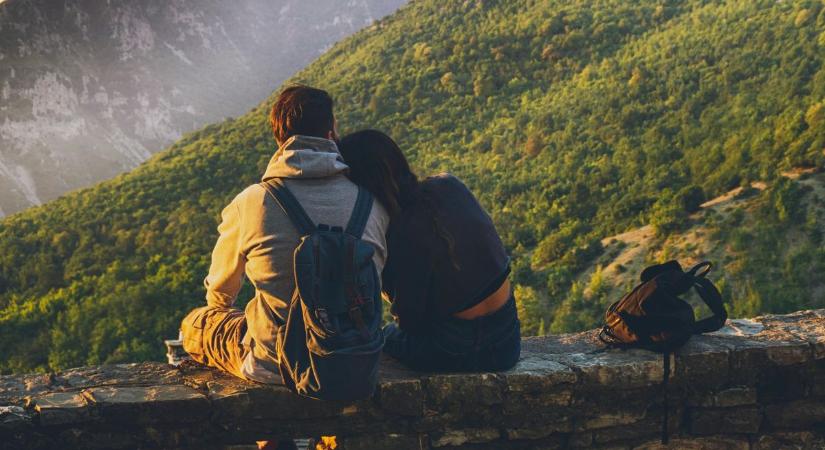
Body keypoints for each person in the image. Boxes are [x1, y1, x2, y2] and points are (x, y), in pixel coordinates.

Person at [179, 86, 389, 385]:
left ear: (279, 138)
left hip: (274, 363)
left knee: (196, 323)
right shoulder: (372, 203)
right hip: (354, 360)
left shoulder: (253, 201)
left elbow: (220, 291)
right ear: (331, 132)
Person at [339, 130, 520, 372]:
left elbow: (410, 324)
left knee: (384, 336)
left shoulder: (398, 232)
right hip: (508, 338)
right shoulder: (449, 185)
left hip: (457, 349)